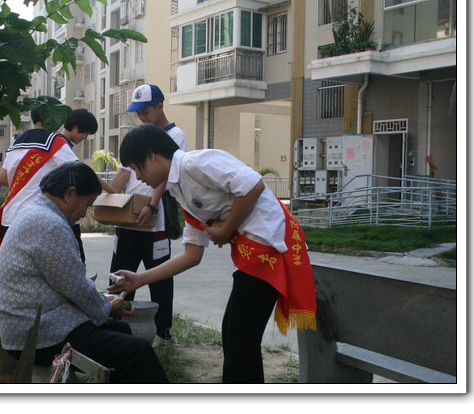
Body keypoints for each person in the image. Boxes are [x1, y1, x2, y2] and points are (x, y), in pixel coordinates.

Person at [108, 124, 318, 384]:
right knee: (237, 337)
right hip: (251, 250)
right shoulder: (179, 190)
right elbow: (192, 255)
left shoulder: (195, 163)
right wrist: (140, 279)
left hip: (268, 246)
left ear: (151, 156)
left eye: (136, 168)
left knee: (239, 339)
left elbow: (253, 185)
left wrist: (225, 231)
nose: (137, 178)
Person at [0, 161, 168, 384]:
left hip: (29, 325)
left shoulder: (35, 212)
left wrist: (103, 305)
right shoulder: (51, 225)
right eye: (87, 204)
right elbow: (77, 288)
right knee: (138, 350)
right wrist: (108, 307)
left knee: (122, 331)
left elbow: (70, 284)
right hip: (40, 335)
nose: (84, 213)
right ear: (70, 194)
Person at [109, 84, 187, 342]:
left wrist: (152, 206)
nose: (141, 117)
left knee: (160, 278)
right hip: (128, 217)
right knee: (119, 275)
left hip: (156, 221)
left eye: (146, 111)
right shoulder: (137, 136)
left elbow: (167, 175)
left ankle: (162, 332)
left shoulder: (175, 135)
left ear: (160, 106)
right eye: (138, 112)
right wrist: (107, 198)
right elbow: (123, 173)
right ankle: (114, 324)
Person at [0, 101, 116, 258]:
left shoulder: (17, 142)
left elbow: (2, 178)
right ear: (52, 116)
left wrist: (28, 185)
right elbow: (83, 174)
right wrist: (113, 192)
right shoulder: (54, 141)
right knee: (69, 265)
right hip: (38, 220)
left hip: (10, 218)